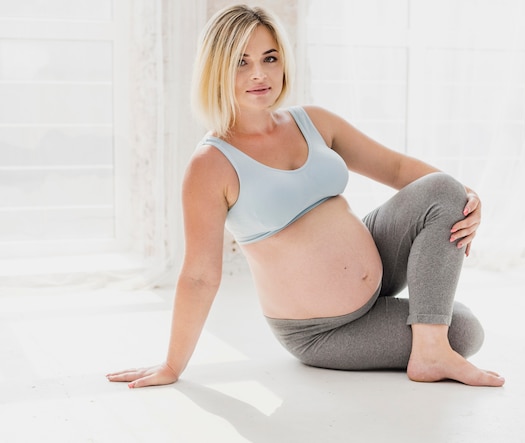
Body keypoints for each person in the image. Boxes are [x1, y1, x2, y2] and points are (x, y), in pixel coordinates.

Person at [107, 4, 504, 388]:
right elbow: (198, 275)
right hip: (322, 330)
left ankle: (430, 348)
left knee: (446, 189)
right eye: (240, 62)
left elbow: (398, 170)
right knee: (465, 329)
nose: (259, 74)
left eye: (270, 57)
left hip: (379, 266)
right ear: (216, 70)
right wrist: (173, 365)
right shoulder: (210, 164)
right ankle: (432, 346)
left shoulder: (312, 121)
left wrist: (467, 200)